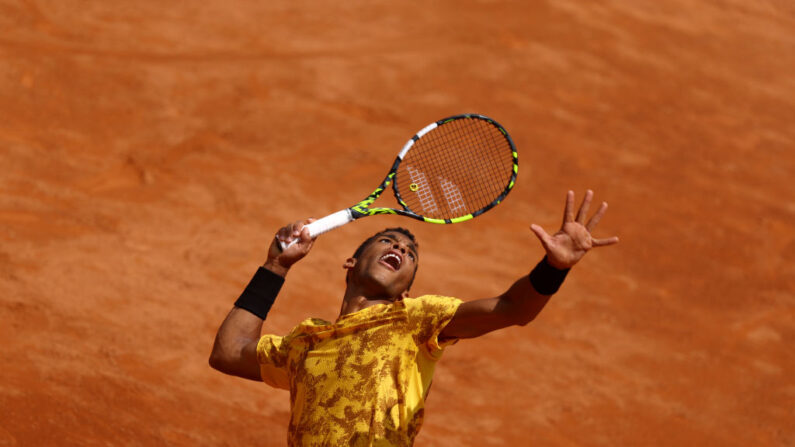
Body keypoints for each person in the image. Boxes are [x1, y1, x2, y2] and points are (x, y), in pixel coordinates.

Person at [209, 190, 618, 446]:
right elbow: (229, 352)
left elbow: (513, 309)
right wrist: (275, 267)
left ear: (407, 290)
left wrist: (553, 268)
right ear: (350, 263)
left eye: (410, 254)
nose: (400, 250)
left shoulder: (416, 319)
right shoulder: (307, 341)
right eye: (389, 241)